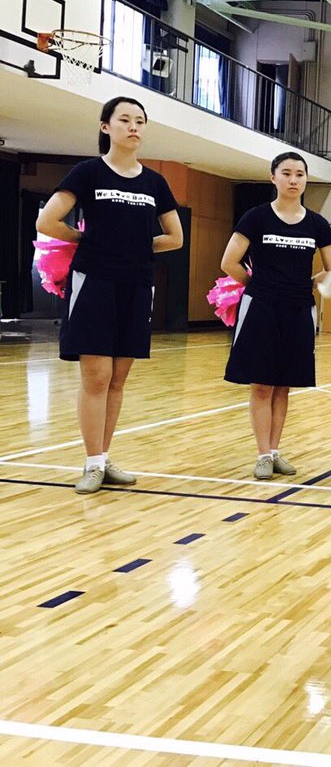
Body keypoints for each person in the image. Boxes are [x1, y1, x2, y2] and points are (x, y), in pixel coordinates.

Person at [36, 96, 183, 494]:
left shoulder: (155, 182)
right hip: (94, 280)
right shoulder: (87, 173)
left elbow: (175, 237)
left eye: (140, 121)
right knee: (97, 375)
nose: (133, 127)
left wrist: (135, 245)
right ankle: (91, 462)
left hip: (136, 284)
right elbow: (47, 220)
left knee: (118, 378)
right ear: (106, 127)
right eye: (124, 120)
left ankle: (104, 457)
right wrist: (85, 238)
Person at [220, 152, 331, 479]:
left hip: (299, 310)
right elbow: (229, 262)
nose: (293, 179)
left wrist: (314, 283)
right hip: (260, 308)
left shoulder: (317, 223)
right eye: (286, 173)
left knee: (284, 385)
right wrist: (256, 285)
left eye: (299, 174)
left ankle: (274, 451)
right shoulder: (256, 217)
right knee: (262, 385)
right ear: (273, 178)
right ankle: (261, 455)